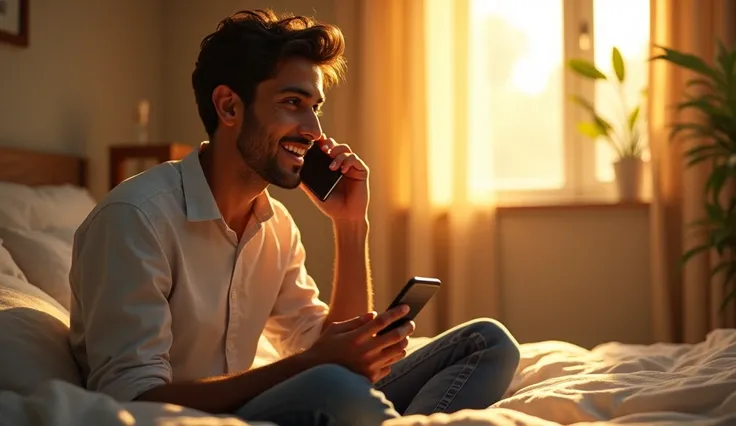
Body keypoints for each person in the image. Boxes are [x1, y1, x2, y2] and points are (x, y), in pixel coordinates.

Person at [68, 9, 520, 426]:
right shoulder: (134, 219)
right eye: (292, 103)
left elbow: (327, 348)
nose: (314, 130)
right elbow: (132, 400)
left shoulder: (276, 225)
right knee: (335, 388)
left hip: (282, 400)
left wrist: (349, 225)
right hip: (197, 416)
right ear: (228, 107)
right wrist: (312, 366)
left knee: (488, 342)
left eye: (315, 107)